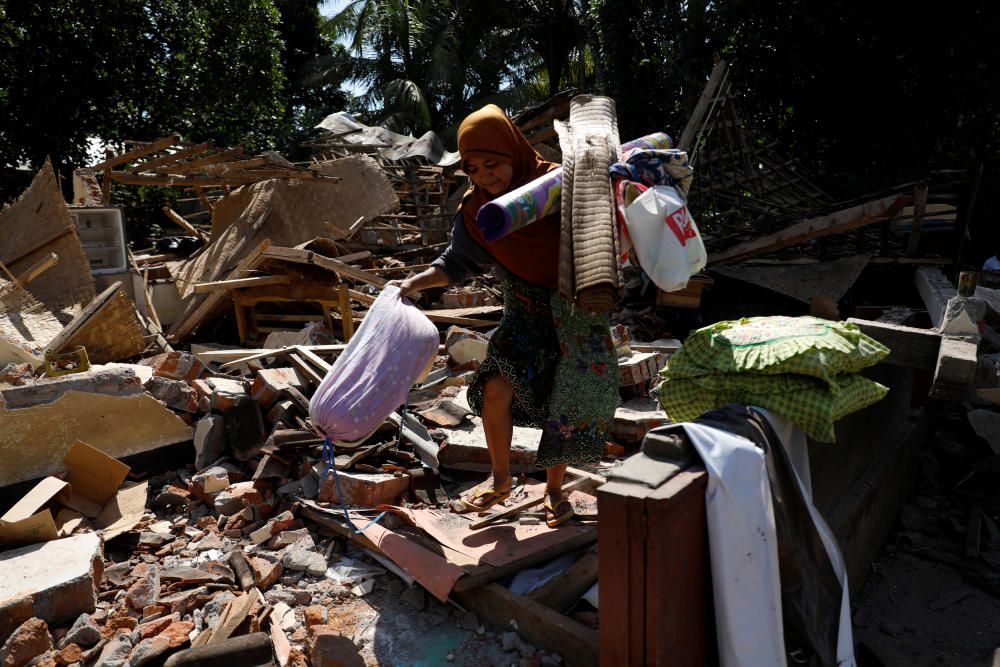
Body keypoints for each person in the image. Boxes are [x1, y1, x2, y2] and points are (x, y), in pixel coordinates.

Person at [388, 104, 618, 528]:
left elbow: (606, 228)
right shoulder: (478, 213)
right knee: (495, 389)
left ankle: (553, 492)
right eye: (473, 169)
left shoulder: (560, 185)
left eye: (492, 164)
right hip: (525, 310)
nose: (484, 176)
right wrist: (412, 283)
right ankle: (500, 480)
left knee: (564, 403)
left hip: (575, 311)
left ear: (514, 152)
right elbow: (456, 263)